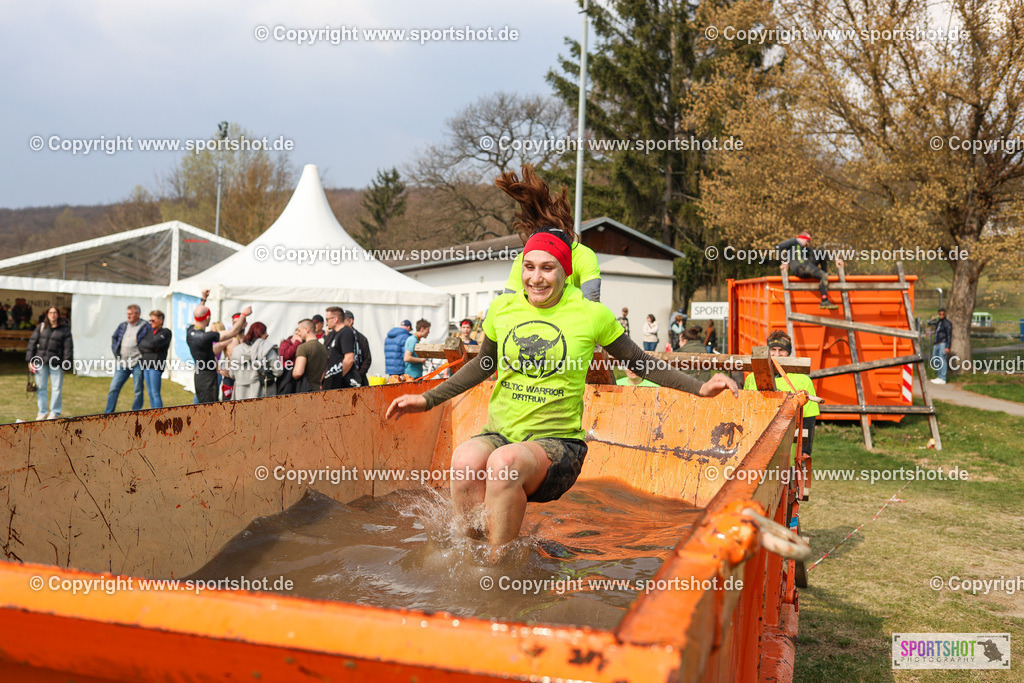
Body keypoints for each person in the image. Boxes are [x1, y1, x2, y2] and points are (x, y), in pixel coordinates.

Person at [386, 211, 738, 555]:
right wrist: (428, 399)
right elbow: (484, 364)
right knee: (464, 460)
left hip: (558, 447)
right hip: (503, 433)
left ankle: (500, 568)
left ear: (565, 271)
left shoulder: (590, 314)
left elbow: (640, 362)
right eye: (529, 266)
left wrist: (700, 387)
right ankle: (469, 557)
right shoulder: (502, 309)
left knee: (503, 464)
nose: (536, 278)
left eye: (547, 268)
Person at [498, 165, 602, 302]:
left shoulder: (583, 255)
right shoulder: (523, 259)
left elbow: (592, 299)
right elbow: (508, 302)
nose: (536, 279)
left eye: (547, 267)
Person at [742, 330, 819, 460]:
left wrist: (805, 452)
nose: (777, 354)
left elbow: (809, 420)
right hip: (759, 441)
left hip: (790, 443)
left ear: (789, 353)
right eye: (773, 349)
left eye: (782, 350)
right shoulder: (752, 378)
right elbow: (745, 413)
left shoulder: (803, 380)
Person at [187, 290, 251, 404]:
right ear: (207, 318)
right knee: (209, 408)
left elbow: (198, 314)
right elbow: (233, 331)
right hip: (208, 378)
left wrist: (203, 299)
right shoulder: (205, 337)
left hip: (199, 375)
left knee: (199, 405)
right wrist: (243, 315)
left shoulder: (190, 331)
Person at [776, 231, 845, 310]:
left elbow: (819, 254)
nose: (808, 243)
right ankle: (824, 300)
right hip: (800, 268)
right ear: (802, 238)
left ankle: (824, 273)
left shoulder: (804, 248)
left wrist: (836, 259)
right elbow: (778, 247)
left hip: (806, 266)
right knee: (823, 275)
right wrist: (784, 261)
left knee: (820, 251)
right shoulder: (793, 242)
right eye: (807, 241)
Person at [26, 306, 73, 420]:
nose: (53, 315)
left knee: (56, 388)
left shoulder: (64, 329)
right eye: (50, 313)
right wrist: (30, 360)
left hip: (56, 363)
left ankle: (55, 412)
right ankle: (42, 412)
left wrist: (66, 364)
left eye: (55, 312)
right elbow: (32, 343)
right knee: (41, 387)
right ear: (47, 314)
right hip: (40, 361)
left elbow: (68, 348)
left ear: (58, 314)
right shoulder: (41, 327)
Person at [105, 304, 151, 413]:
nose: (128, 316)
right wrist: (117, 353)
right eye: (127, 314)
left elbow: (150, 341)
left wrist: (143, 356)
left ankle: (136, 412)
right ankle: (108, 414)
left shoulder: (145, 326)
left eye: (130, 314)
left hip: (137, 362)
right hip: (123, 363)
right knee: (113, 388)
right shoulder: (123, 325)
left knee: (138, 390)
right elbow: (114, 337)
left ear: (138, 314)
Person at [231, 322, 278, 399]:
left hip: (240, 394)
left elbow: (232, 374)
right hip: (262, 394)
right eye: (266, 334)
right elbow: (278, 372)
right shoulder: (268, 350)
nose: (266, 337)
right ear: (262, 334)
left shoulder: (236, 350)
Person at [138, 310, 172, 409]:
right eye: (150, 320)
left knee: (155, 393)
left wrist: (149, 346)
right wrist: (150, 347)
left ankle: (159, 415)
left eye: (153, 320)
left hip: (156, 365)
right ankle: (154, 413)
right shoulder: (150, 332)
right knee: (150, 392)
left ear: (161, 320)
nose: (151, 322)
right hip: (146, 364)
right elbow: (140, 345)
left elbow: (154, 344)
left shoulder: (166, 332)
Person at [322, 307, 361, 389]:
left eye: (327, 319)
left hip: (341, 382)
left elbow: (349, 359)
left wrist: (337, 377)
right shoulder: (331, 334)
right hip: (330, 379)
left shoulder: (346, 332)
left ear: (335, 319)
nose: (326, 322)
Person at [291, 319, 328, 392]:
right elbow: (323, 373)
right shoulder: (323, 348)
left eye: (300, 330)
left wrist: (292, 374)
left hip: (304, 391)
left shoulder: (303, 347)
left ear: (307, 330)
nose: (299, 333)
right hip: (317, 390)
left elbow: (298, 372)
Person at [349, 311, 373, 384]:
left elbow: (367, 359)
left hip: (359, 379)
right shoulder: (336, 337)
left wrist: (359, 375)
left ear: (350, 321)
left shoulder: (361, 339)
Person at [931, 308, 953, 384]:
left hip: (943, 343)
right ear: (938, 314)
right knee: (935, 360)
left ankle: (943, 378)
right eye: (940, 314)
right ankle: (939, 376)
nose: (941, 315)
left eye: (943, 314)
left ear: (945, 314)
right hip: (936, 343)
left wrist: (948, 346)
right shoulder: (938, 323)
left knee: (942, 360)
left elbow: (949, 336)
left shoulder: (947, 323)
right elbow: (937, 332)